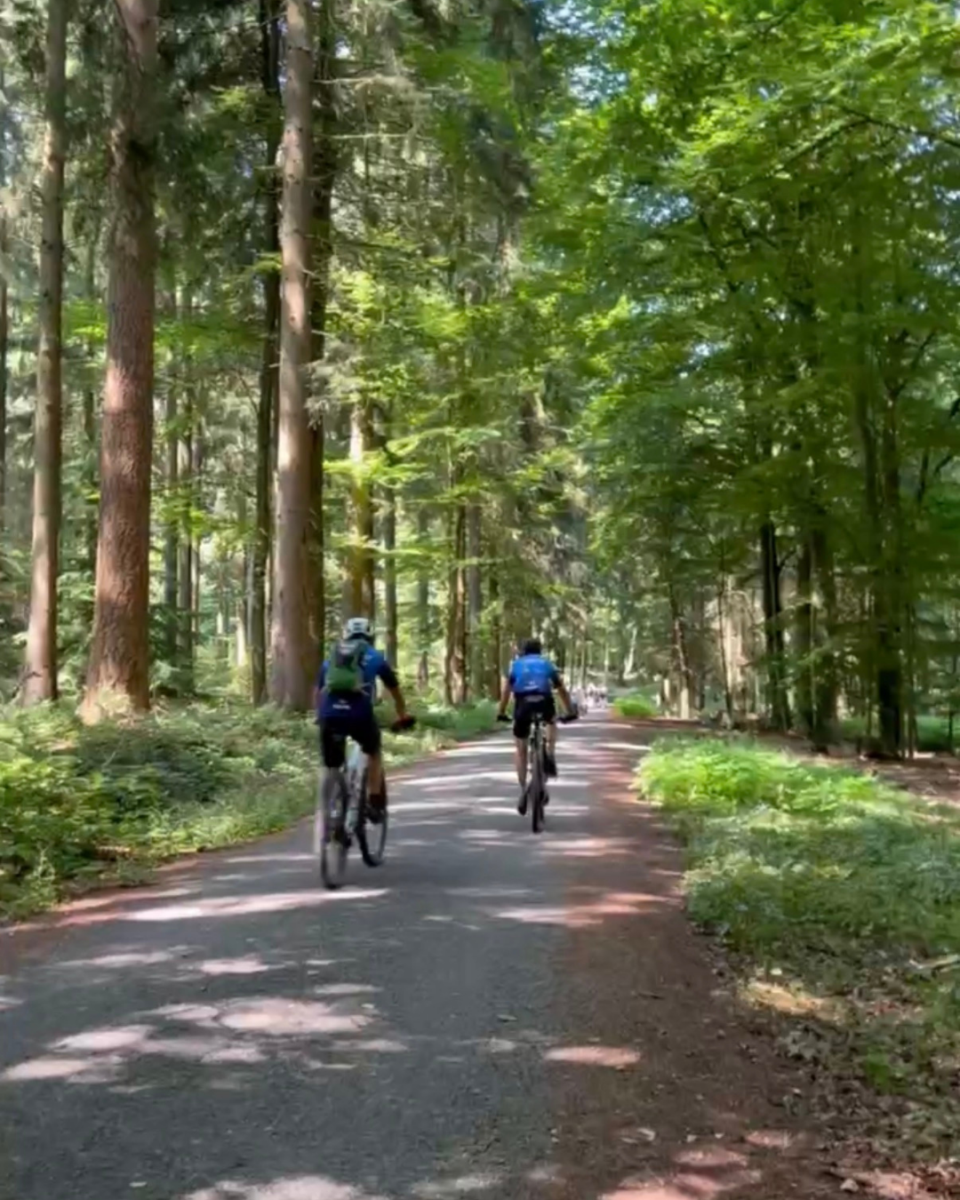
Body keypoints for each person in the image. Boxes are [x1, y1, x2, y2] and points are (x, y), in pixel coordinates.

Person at [315, 617, 412, 822]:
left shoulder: (332, 657)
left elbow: (318, 691)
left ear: (346, 635)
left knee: (331, 764)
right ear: (370, 636)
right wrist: (402, 715)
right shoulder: (376, 657)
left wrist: (320, 715)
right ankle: (374, 803)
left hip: (329, 715)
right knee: (373, 751)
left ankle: (330, 809)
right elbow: (394, 690)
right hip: (359, 715)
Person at [497, 638, 576, 815]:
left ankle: (523, 789)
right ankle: (550, 753)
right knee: (551, 721)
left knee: (521, 748)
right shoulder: (546, 664)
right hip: (543, 701)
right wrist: (570, 711)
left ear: (523, 651)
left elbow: (506, 691)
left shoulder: (516, 665)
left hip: (523, 705)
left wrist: (501, 712)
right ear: (540, 651)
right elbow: (561, 689)